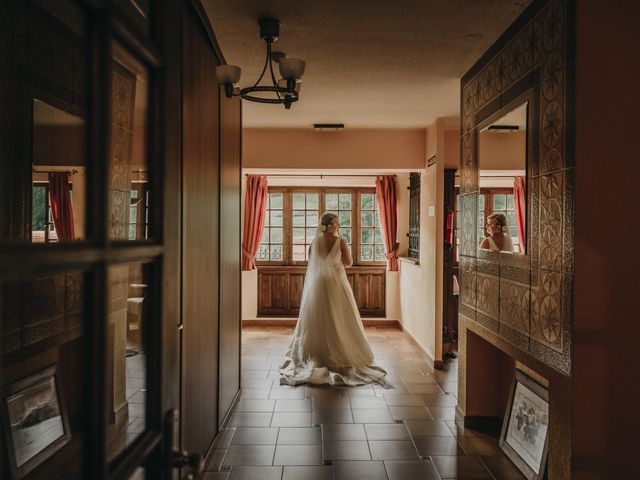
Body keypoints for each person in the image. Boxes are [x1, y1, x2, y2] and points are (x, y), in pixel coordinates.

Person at [279, 212, 389, 387]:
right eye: (337, 222)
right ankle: (341, 352)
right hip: (336, 283)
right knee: (340, 315)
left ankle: (316, 354)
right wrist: (336, 263)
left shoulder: (315, 242)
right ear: (331, 225)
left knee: (318, 317)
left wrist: (325, 264)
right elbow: (349, 262)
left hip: (318, 283)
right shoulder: (340, 242)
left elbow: (311, 261)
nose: (339, 224)